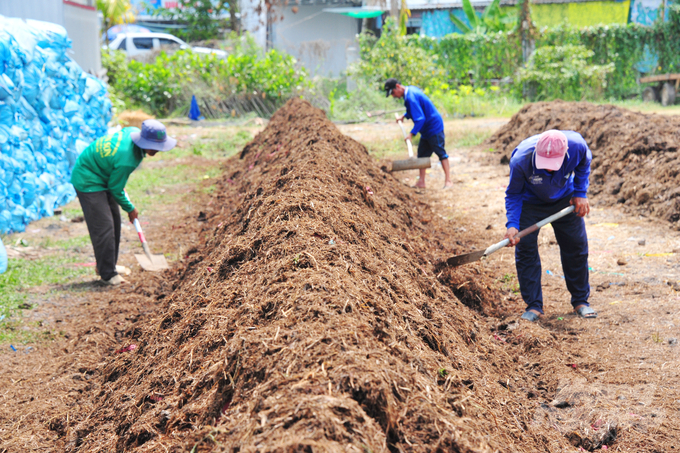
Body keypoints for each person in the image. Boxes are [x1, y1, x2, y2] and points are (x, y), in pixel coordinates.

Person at [503, 129, 596, 321]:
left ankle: (580, 301)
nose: (549, 169)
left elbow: (583, 165)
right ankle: (534, 306)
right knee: (526, 248)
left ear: (565, 153)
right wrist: (512, 224)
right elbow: (513, 193)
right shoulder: (521, 159)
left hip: (565, 200)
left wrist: (581, 192)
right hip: (530, 203)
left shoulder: (578, 146)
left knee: (576, 246)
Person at [70, 120, 177, 286]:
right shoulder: (127, 159)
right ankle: (107, 274)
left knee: (114, 222)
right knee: (104, 227)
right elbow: (115, 188)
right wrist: (130, 208)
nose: (158, 151)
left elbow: (115, 182)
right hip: (88, 180)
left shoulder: (133, 132)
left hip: (104, 174)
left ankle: (108, 264)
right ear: (144, 143)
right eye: (155, 147)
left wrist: (116, 178)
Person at [384, 78, 452, 189]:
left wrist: (411, 134)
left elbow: (420, 119)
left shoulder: (410, 97)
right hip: (425, 130)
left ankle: (448, 181)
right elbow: (415, 109)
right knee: (422, 155)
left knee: (441, 153)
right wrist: (404, 116)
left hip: (433, 127)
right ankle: (421, 182)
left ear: (398, 86)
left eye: (393, 92)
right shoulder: (410, 91)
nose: (393, 96)